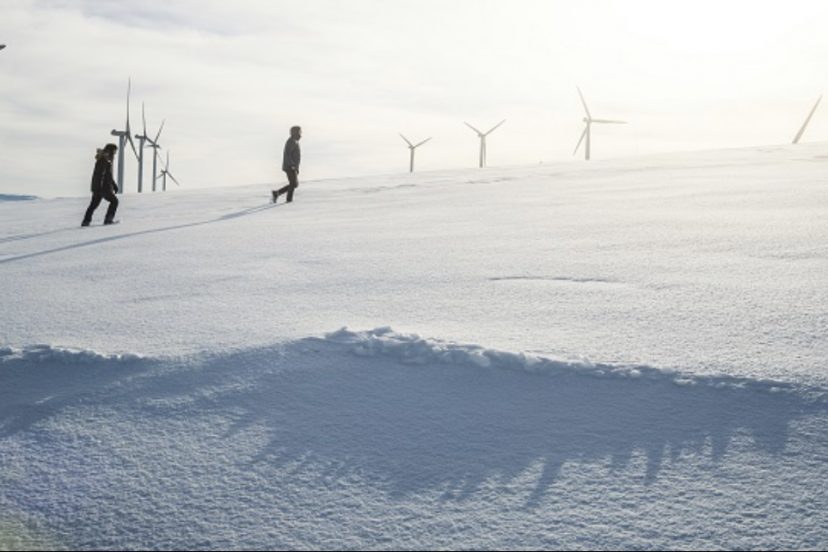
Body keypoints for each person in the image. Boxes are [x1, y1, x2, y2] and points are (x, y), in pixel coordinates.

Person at [82, 143, 119, 226]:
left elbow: (107, 175)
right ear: (110, 151)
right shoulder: (104, 161)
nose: (115, 154)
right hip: (102, 188)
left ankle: (86, 221)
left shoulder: (103, 160)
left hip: (97, 187)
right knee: (114, 201)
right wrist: (101, 188)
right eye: (114, 151)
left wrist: (114, 185)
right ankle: (108, 219)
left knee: (93, 205)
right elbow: (101, 175)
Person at [272, 126, 302, 203]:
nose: (300, 134)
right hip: (289, 166)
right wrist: (292, 165)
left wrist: (296, 168)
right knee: (293, 183)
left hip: (292, 166)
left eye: (300, 132)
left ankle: (277, 193)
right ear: (294, 132)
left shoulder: (294, 141)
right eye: (299, 132)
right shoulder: (291, 141)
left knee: (294, 184)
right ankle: (288, 200)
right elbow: (288, 154)